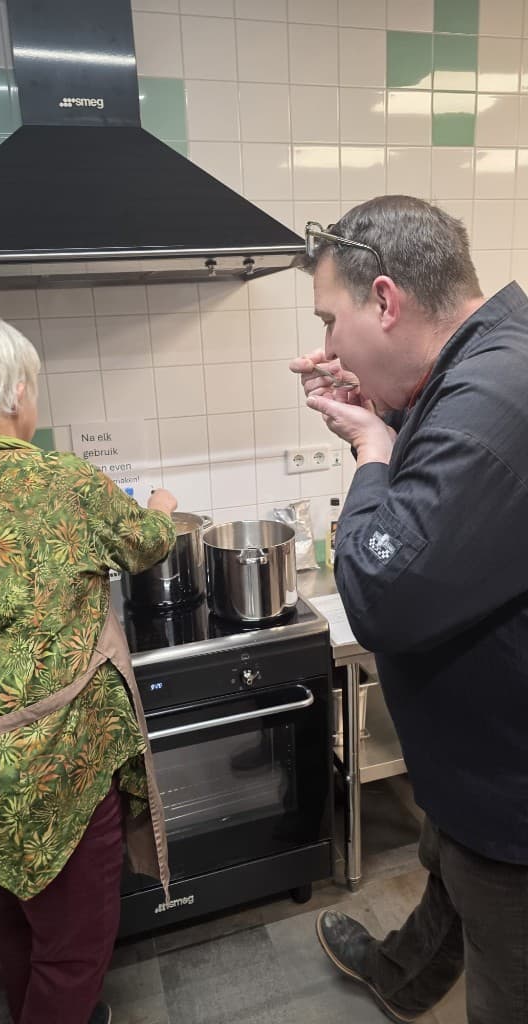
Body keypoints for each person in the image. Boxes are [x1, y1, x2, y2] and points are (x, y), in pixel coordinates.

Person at [290, 195, 528, 1024]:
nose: (325, 349)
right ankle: (402, 977)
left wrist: (368, 452)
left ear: (385, 301)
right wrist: (379, 413)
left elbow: (384, 596)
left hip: (514, 801)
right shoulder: (474, 367)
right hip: (474, 771)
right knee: (446, 872)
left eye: (330, 321)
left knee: (507, 983)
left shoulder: (497, 400)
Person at [0, 309, 178, 1024]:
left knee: (16, 917)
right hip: (59, 771)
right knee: (76, 947)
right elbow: (145, 544)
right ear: (17, 396)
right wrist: (164, 508)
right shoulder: (61, 480)